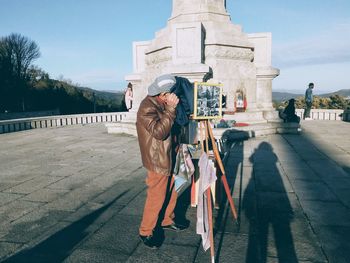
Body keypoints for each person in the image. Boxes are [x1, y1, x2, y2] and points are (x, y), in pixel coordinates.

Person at [136, 74, 188, 249]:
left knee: (173, 188)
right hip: (157, 158)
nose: (174, 96)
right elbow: (159, 132)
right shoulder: (146, 107)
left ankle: (166, 219)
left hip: (169, 153)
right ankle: (146, 231)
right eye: (170, 94)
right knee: (157, 194)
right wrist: (171, 109)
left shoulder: (162, 102)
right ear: (161, 94)